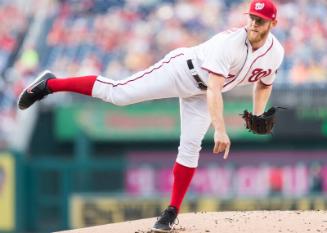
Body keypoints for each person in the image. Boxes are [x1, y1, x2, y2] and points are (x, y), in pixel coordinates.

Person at [17, 0, 284, 232]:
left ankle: (171, 213)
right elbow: (215, 88)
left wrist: (258, 114)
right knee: (120, 94)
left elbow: (264, 83)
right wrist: (221, 128)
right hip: (182, 70)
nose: (253, 23)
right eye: (251, 17)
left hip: (202, 94)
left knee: (190, 148)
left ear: (272, 22)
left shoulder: (276, 52)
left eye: (259, 20)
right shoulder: (230, 43)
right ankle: (49, 85)